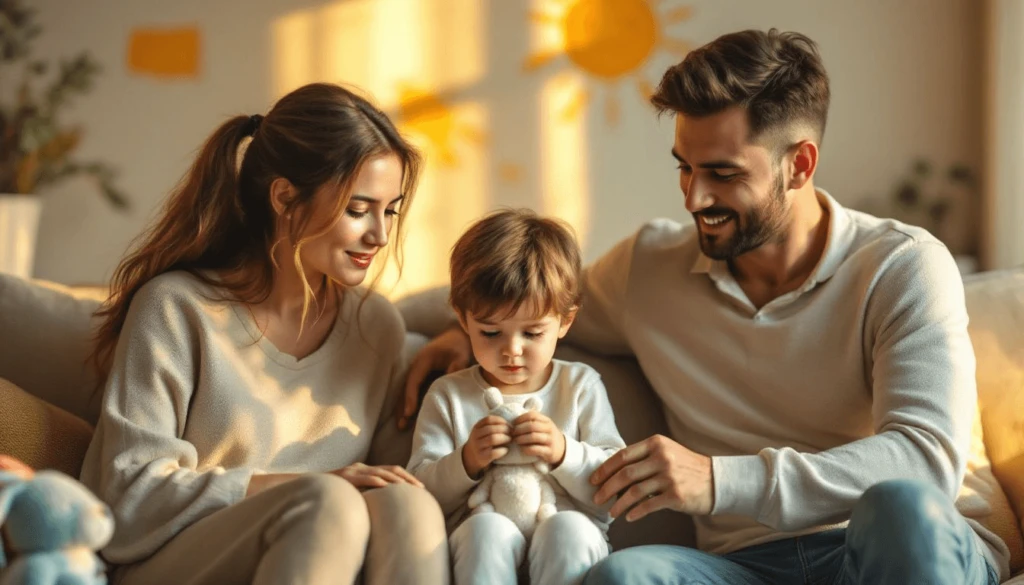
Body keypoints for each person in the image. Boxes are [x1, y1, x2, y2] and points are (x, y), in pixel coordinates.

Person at [400, 30, 1009, 585]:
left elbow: (924, 458)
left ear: (798, 165)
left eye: (721, 173)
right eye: (684, 168)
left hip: (889, 551)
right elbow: (534, 302)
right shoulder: (649, 270)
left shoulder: (902, 266)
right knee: (623, 578)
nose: (694, 197)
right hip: (745, 568)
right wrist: (467, 336)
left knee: (900, 504)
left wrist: (718, 480)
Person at [79, 83, 449, 585]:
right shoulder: (175, 309)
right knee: (326, 501)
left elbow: (397, 478)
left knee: (409, 504)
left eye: (390, 211)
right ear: (284, 197)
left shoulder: (377, 326)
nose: (380, 236)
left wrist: (466, 341)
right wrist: (303, 484)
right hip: (166, 561)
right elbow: (130, 498)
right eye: (358, 210)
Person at [408, 209, 626, 585]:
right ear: (463, 321)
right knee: (485, 531)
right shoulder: (449, 395)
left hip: (569, 537)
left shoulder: (581, 386)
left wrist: (563, 452)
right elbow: (419, 498)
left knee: (568, 530)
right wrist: (466, 461)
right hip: (477, 534)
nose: (512, 351)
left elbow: (614, 490)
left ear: (565, 322)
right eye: (491, 333)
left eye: (532, 333)